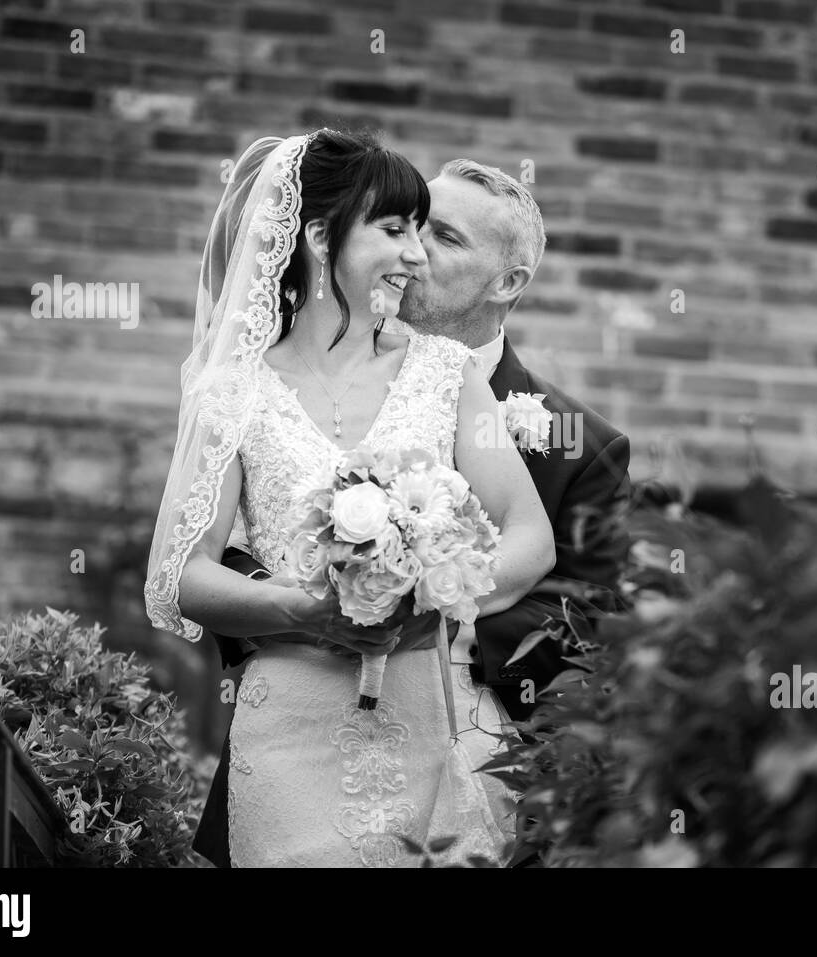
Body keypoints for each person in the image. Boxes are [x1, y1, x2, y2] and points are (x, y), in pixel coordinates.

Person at [191, 156, 632, 868]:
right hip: (300, 713)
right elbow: (219, 546)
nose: (417, 252)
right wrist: (309, 595)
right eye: (409, 227)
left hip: (478, 752)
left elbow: (588, 609)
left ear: (509, 280)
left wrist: (425, 602)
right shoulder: (261, 385)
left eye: (445, 238)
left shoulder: (584, 443)